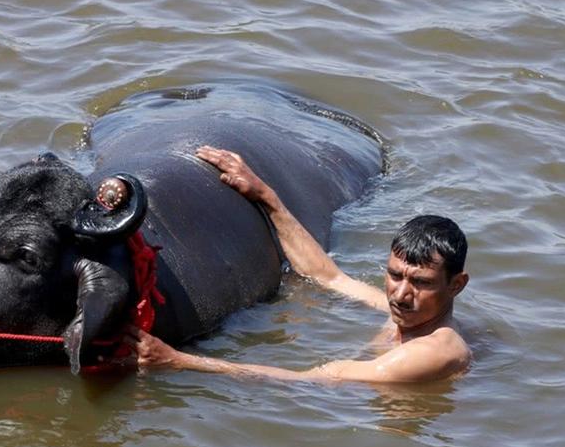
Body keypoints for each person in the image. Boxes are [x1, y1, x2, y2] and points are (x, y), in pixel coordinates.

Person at [121, 145, 471, 384]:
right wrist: (265, 195)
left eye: (421, 282)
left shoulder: (431, 353)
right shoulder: (407, 313)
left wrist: (180, 361)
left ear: (456, 285)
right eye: (395, 275)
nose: (401, 294)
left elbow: (312, 380)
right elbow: (327, 276)